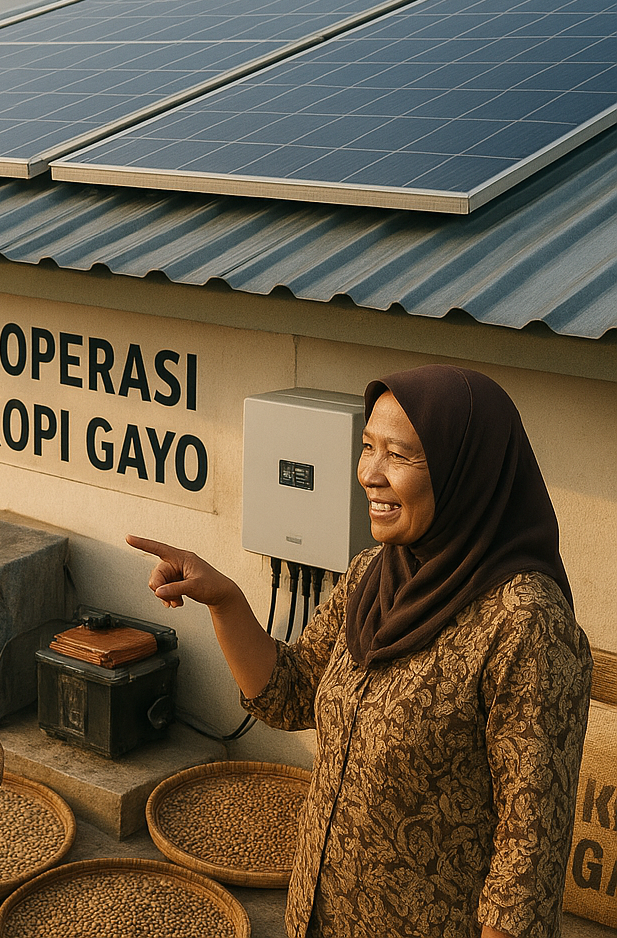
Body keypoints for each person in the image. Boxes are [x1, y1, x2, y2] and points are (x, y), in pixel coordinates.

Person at [128, 364, 592, 938]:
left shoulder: (526, 623)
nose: (370, 473)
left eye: (398, 455)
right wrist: (224, 600)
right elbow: (291, 692)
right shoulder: (374, 575)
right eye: (367, 447)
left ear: (465, 470)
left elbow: (529, 858)